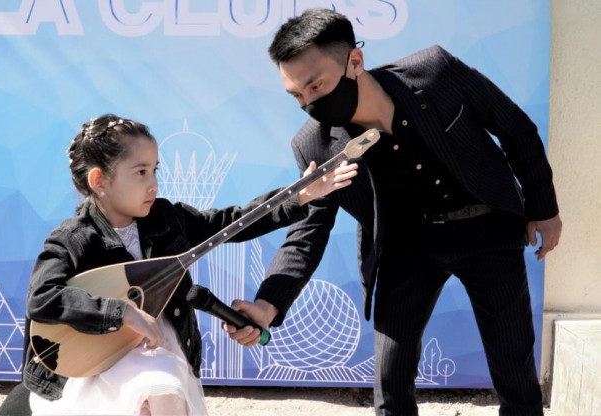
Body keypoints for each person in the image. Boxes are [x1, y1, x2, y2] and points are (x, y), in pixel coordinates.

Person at [223, 8, 562, 416]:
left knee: (515, 372)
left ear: (355, 61)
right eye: (297, 96)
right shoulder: (315, 146)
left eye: (316, 85)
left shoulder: (435, 73)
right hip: (407, 248)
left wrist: (543, 209)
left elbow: (515, 128)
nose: (310, 103)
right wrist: (268, 304)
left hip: (487, 229)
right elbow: (307, 234)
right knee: (390, 382)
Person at [22, 113, 358, 415]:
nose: (153, 183)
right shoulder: (74, 238)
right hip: (97, 362)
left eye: (155, 170)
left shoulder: (166, 218)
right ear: (99, 181)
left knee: (164, 384)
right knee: (157, 384)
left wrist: (298, 196)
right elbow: (42, 297)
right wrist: (121, 312)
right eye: (140, 172)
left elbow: (232, 222)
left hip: (160, 347)